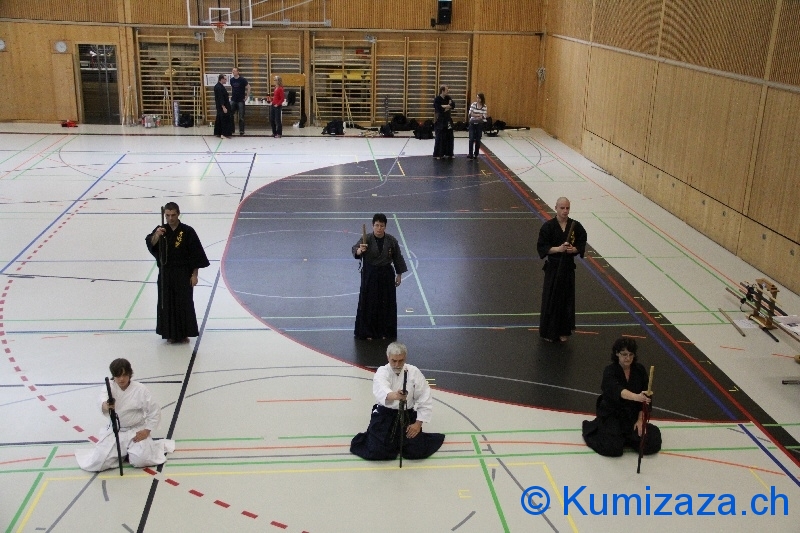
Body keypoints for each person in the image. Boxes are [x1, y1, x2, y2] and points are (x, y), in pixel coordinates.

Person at [75, 358, 175, 471]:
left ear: (130, 374)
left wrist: (146, 431)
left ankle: (131, 452)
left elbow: (154, 410)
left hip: (136, 429)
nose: (122, 379)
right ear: (113, 376)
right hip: (116, 430)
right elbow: (102, 401)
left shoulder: (140, 389)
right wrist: (107, 405)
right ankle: (126, 453)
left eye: (124, 375)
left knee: (141, 460)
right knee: (98, 462)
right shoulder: (109, 387)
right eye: (118, 376)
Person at [351, 342, 445, 460]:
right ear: (388, 358)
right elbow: (381, 389)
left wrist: (418, 424)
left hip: (407, 415)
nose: (397, 364)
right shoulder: (382, 372)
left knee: (416, 452)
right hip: (385, 415)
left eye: (401, 361)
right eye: (394, 360)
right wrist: (395, 395)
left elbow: (424, 397)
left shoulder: (414, 372)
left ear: (405, 357)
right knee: (377, 452)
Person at [582, 338, 662, 457]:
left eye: (631, 354)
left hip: (631, 415)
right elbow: (618, 390)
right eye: (624, 354)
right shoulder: (610, 371)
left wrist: (640, 420)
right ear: (617, 354)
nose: (628, 358)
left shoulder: (639, 370)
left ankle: (626, 437)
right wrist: (636, 397)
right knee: (612, 448)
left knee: (650, 444)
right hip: (613, 414)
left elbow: (645, 400)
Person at [146, 202, 210, 343]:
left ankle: (183, 333)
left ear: (178, 214)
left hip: (183, 274)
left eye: (173, 215)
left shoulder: (187, 231)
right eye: (167, 215)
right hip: (166, 274)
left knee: (184, 303)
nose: (170, 218)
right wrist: (157, 235)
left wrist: (194, 275)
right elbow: (151, 244)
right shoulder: (161, 230)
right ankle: (169, 334)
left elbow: (196, 254)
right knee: (166, 303)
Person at [536, 197, 587, 342]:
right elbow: (542, 247)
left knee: (566, 299)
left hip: (568, 268)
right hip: (553, 268)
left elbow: (582, 242)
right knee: (551, 299)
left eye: (567, 208)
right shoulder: (548, 227)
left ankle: (564, 331)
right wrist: (558, 249)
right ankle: (549, 332)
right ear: (556, 208)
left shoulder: (575, 226)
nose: (565, 211)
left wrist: (573, 249)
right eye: (562, 208)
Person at [352, 213, 408, 340]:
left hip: (386, 274)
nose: (379, 228)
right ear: (373, 226)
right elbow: (355, 250)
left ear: (385, 227)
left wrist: (399, 275)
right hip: (370, 274)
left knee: (386, 304)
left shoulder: (391, 240)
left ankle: (385, 332)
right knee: (369, 303)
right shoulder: (366, 239)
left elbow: (397, 258)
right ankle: (367, 332)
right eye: (376, 225)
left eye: (381, 226)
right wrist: (360, 250)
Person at [432, 85, 455, 159]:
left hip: (448, 120)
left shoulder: (448, 97)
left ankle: (449, 153)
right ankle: (438, 154)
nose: (448, 91)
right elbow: (438, 109)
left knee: (450, 136)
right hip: (440, 120)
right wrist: (447, 106)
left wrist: (444, 106)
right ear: (442, 91)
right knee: (440, 137)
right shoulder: (437, 99)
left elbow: (453, 105)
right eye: (446, 90)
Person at [229, 67, 250, 136]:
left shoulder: (242, 80)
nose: (233, 72)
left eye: (235, 71)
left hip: (240, 100)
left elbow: (248, 87)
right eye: (233, 71)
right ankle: (232, 129)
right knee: (230, 115)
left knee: (241, 117)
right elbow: (232, 88)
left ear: (238, 72)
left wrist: (246, 97)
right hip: (233, 99)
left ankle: (241, 130)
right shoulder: (231, 80)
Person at [467, 92, 487, 159]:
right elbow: (470, 114)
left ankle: (476, 153)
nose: (478, 99)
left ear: (482, 99)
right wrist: (478, 115)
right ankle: (470, 154)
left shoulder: (484, 106)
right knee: (471, 138)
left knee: (478, 139)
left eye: (479, 98)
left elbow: (484, 116)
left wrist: (475, 115)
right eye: (477, 98)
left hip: (479, 124)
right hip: (472, 123)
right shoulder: (473, 105)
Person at [213, 73, 233, 139]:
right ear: (221, 79)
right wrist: (223, 107)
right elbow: (220, 98)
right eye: (225, 79)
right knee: (224, 119)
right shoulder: (219, 87)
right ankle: (223, 133)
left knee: (220, 119)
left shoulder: (219, 86)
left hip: (221, 105)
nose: (226, 80)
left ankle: (218, 132)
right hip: (222, 106)